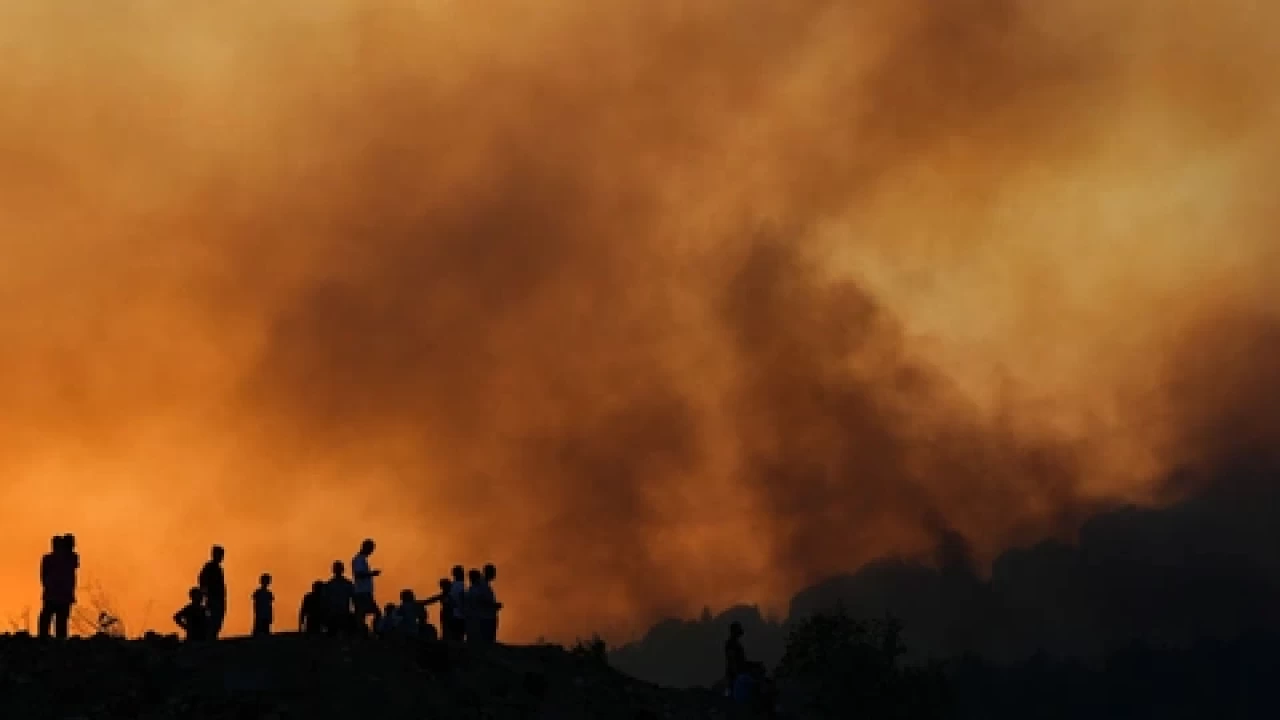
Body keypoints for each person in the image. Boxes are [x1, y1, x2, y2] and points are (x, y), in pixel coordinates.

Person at [38, 535, 78, 639]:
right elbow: (44, 576)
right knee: (56, 618)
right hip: (59, 594)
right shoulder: (67, 558)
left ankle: (48, 638)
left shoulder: (67, 558)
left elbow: (43, 576)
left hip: (58, 594)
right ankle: (49, 639)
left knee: (56, 618)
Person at [351, 539, 382, 634]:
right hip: (362, 592)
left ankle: (364, 633)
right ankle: (372, 632)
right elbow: (358, 575)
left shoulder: (361, 559)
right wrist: (372, 574)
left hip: (364, 592)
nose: (371, 551)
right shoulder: (359, 559)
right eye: (370, 549)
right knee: (374, 613)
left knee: (362, 614)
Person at [198, 545, 227, 639]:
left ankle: (213, 636)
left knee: (218, 617)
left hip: (218, 597)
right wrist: (204, 593)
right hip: (213, 597)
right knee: (213, 618)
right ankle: (210, 637)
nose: (221, 557)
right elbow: (202, 580)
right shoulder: (209, 567)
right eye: (220, 555)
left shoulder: (218, 568)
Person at [465, 568, 499, 645]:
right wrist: (493, 605)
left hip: (483, 617)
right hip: (484, 618)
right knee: (485, 641)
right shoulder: (480, 586)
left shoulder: (476, 587)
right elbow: (481, 600)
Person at [325, 560, 356, 636]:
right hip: (333, 615)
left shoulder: (347, 584)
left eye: (339, 569)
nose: (338, 571)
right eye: (337, 569)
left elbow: (354, 599)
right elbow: (325, 601)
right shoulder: (328, 585)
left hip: (343, 614)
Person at [724, 621, 748, 696]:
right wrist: (736, 673)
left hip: (738, 673)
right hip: (734, 674)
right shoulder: (731, 644)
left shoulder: (735, 643)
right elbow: (731, 659)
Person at [482, 563, 503, 643]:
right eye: (493, 572)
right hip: (487, 618)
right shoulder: (483, 585)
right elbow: (483, 601)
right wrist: (494, 605)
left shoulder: (485, 585)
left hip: (488, 617)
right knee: (488, 641)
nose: (495, 574)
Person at [448, 565, 467, 642]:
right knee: (460, 637)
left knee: (455, 637)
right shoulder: (461, 585)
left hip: (454, 615)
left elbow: (450, 601)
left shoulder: (452, 585)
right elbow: (463, 599)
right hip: (461, 616)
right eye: (462, 572)